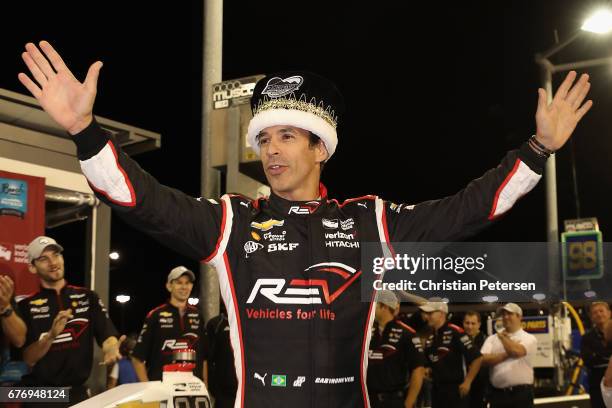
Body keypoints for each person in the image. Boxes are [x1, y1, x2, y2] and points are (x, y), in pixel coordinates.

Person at [17, 40, 592, 407]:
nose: (271, 150)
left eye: (286, 135)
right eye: (263, 137)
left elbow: (467, 209)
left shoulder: (366, 219)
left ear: (322, 149)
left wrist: (537, 149)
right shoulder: (231, 222)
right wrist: (86, 134)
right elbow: (142, 199)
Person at [17, 236, 123, 406]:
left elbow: (107, 335)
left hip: (77, 393)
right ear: (32, 267)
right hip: (40, 395)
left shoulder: (88, 297)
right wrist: (51, 336)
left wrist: (111, 349)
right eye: (44, 259)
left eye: (56, 254)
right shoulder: (25, 306)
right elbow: (28, 358)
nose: (53, 262)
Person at [132, 266, 207, 382]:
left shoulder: (198, 315)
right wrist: (148, 388)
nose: (184, 287)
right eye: (179, 282)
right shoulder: (155, 315)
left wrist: (204, 386)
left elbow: (203, 358)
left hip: (193, 389)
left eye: (187, 283)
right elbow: (137, 358)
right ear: (169, 286)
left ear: (191, 286)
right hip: (162, 390)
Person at [367, 291, 425, 408]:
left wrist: (408, 403)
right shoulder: (368, 333)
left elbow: (419, 370)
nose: (371, 309)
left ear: (384, 307)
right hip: (370, 399)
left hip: (394, 400)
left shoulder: (407, 333)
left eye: (375, 305)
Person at [420, 301, 482, 408]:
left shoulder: (456, 331)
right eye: (426, 313)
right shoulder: (431, 336)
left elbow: (478, 358)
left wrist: (468, 382)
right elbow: (431, 361)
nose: (427, 316)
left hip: (455, 390)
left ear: (441, 314)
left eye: (430, 313)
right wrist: (428, 369)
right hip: (436, 389)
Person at [480, 303, 537, 408]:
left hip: (521, 394)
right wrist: (507, 354)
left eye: (510, 314)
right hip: (498, 395)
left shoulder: (529, 338)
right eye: (503, 314)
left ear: (519, 317)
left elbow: (516, 351)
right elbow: (483, 360)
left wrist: (503, 338)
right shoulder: (492, 339)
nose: (505, 317)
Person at [581, 302, 612, 408]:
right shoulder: (587, 338)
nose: (598, 314)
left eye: (601, 311)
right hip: (596, 387)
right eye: (595, 312)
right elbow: (588, 360)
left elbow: (595, 358)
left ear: (609, 313)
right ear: (591, 317)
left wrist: (598, 355)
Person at [206, 306, 237, 408]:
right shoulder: (215, 324)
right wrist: (214, 389)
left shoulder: (249, 322)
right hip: (224, 395)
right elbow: (208, 360)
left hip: (245, 391)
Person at [462, 311, 488, 408]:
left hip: (480, 386)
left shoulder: (486, 340)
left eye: (473, 323)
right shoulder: (458, 339)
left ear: (479, 324)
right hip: (462, 384)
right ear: (463, 323)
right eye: (467, 323)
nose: (470, 326)